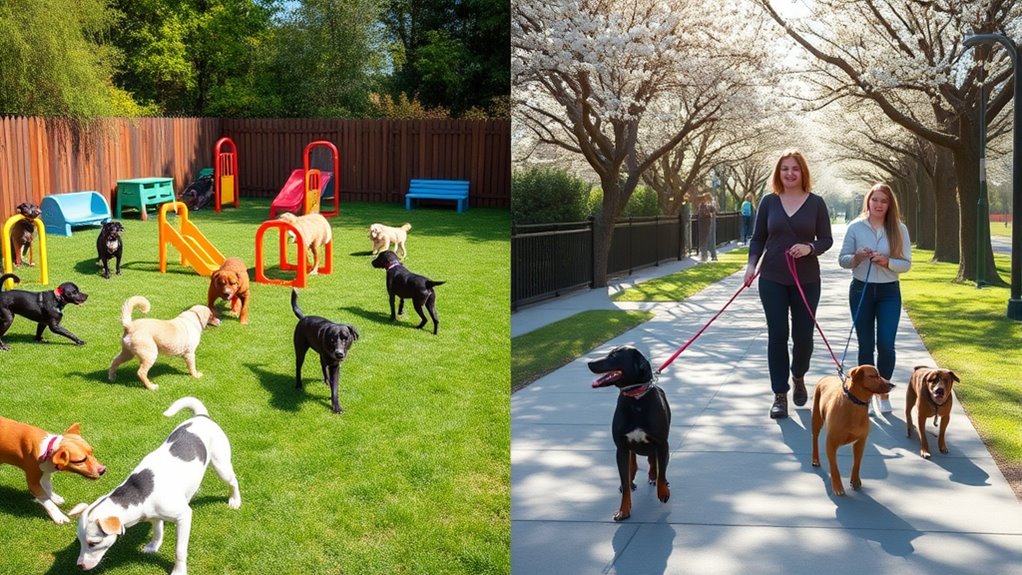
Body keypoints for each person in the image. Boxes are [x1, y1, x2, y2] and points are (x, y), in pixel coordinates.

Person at [743, 149, 833, 419]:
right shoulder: (769, 202)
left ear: (803, 172)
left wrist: (809, 248)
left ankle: (799, 374)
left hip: (806, 280)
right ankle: (779, 394)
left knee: (803, 336)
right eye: (785, 169)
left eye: (795, 168)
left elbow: (826, 240)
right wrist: (751, 266)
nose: (790, 173)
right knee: (777, 334)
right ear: (778, 173)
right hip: (772, 278)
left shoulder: (816, 203)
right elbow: (758, 238)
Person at [838, 183, 912, 414]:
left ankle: (884, 392)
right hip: (861, 290)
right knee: (866, 345)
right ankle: (866, 396)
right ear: (868, 201)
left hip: (889, 292)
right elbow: (842, 259)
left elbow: (907, 264)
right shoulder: (855, 227)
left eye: (884, 201)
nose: (878, 205)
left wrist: (887, 262)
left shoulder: (899, 229)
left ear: (890, 205)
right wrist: (857, 258)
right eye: (875, 199)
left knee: (886, 346)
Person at [697, 193, 717, 262]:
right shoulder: (702, 205)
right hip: (704, 224)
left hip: (706, 224)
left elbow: (713, 211)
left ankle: (705, 256)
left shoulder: (708, 205)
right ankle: (705, 255)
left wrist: (709, 213)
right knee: (706, 240)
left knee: (706, 240)